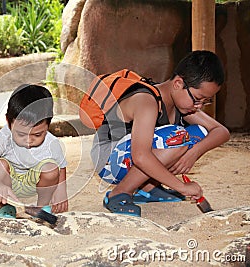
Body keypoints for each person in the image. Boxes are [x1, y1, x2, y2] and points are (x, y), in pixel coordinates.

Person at [90, 50, 230, 217]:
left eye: (206, 101)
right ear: (178, 84)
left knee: (197, 134)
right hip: (107, 160)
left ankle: (148, 188)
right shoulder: (147, 100)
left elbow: (221, 132)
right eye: (198, 99)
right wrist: (181, 186)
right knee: (176, 138)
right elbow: (140, 156)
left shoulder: (183, 103)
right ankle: (119, 193)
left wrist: (194, 152)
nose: (199, 106)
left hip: (129, 158)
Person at [0, 84, 68, 218]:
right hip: (10, 185)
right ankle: (7, 207)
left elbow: (62, 167)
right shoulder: (5, 136)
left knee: (52, 168)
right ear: (8, 122)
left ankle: (41, 207)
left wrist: (61, 191)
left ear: (48, 125)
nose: (28, 140)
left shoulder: (51, 143)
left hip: (35, 183)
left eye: (37, 135)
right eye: (21, 134)